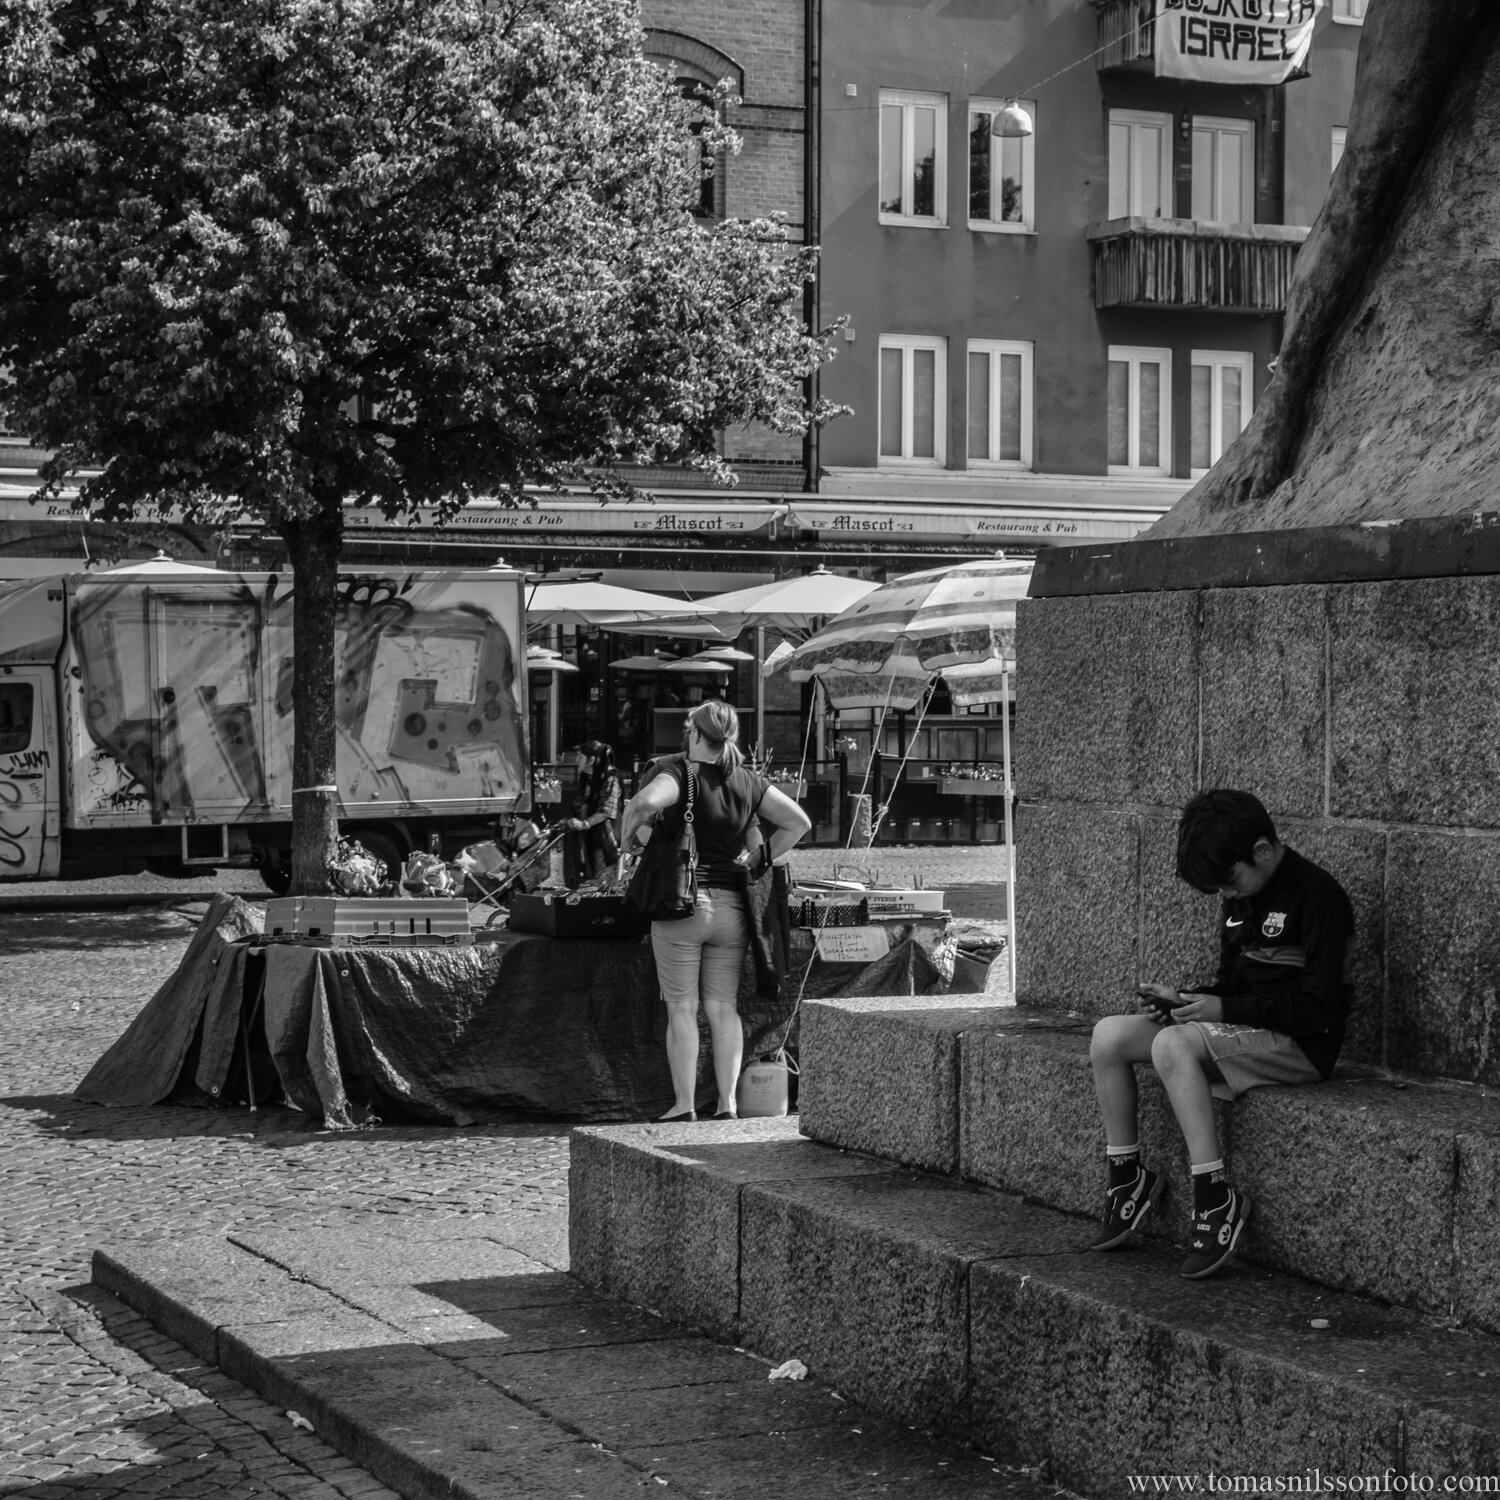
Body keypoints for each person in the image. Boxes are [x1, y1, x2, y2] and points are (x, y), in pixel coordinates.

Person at [1087, 788, 1355, 1280]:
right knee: (1108, 1036)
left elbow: (1318, 1010)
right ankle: (1128, 1180)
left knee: (1172, 1044)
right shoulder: (1240, 898)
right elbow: (1233, 987)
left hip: (1300, 1046)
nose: (1226, 895)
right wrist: (1186, 999)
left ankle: (1215, 1199)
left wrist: (1220, 1008)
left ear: (1263, 851)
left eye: (1229, 881)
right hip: (1245, 1028)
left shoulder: (1317, 897)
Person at [620, 701, 811, 1123]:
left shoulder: (680, 774)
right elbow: (799, 823)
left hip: (682, 907)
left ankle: (685, 1104)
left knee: (682, 1010)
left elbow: (643, 804)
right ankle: (728, 1104)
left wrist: (626, 840)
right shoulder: (747, 781)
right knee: (723, 1008)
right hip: (733, 911)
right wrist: (760, 858)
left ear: (693, 734)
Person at [562, 740, 623, 889]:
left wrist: (584, 824)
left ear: (592, 760)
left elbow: (606, 811)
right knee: (583, 889)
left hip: (604, 842)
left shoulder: (611, 777)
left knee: (602, 889)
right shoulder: (587, 777)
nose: (576, 760)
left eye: (580, 757)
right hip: (586, 841)